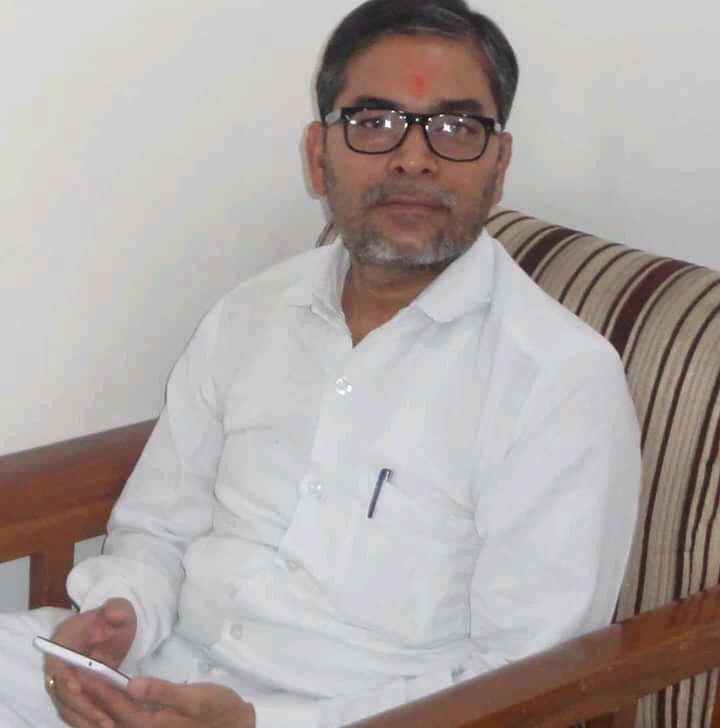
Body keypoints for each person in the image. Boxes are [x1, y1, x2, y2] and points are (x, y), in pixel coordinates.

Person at [0, 0, 642, 726]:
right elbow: (156, 529)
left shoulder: (559, 381)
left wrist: (257, 724)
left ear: (499, 165)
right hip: (154, 677)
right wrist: (122, 616)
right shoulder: (251, 313)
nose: (414, 157)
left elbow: (521, 677)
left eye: (456, 128)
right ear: (318, 153)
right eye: (375, 121)